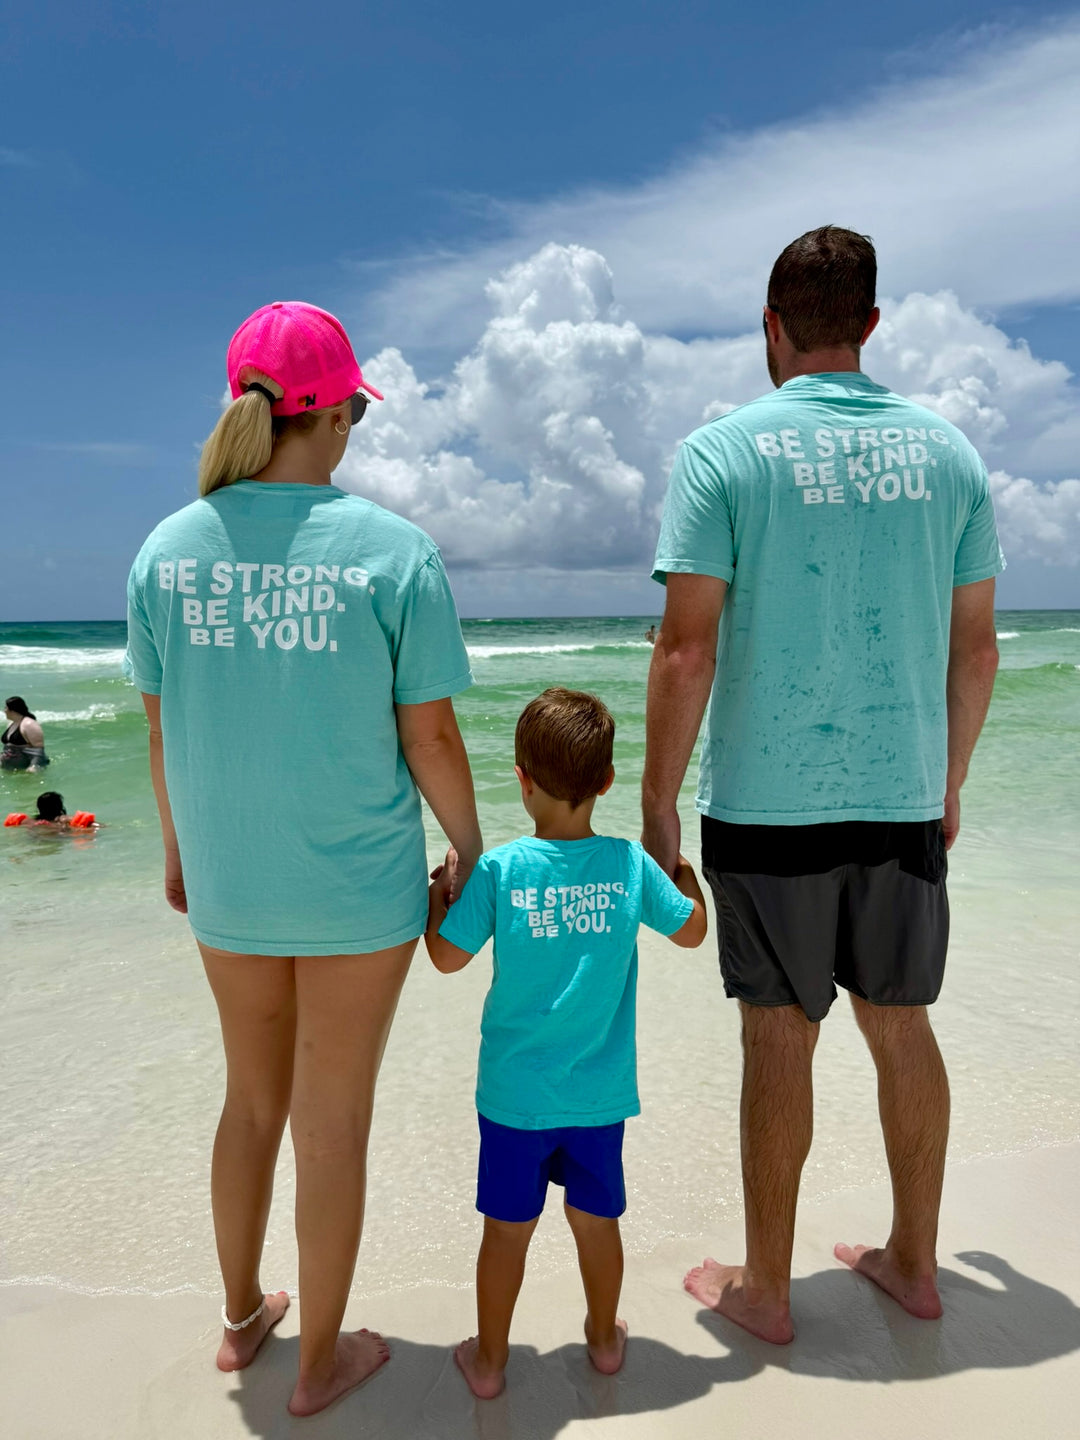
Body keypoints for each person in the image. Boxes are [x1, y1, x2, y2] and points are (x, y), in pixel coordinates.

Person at [642, 226, 1003, 1344]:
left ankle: (767, 1289)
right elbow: (977, 650)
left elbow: (686, 649)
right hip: (902, 796)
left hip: (766, 804)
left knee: (777, 1036)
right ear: (872, 324)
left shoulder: (722, 454)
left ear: (772, 324)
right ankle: (916, 1263)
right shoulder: (950, 455)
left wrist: (656, 802)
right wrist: (948, 779)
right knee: (902, 1027)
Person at [125, 301, 482, 1418]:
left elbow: (162, 732)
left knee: (250, 1104)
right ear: (331, 416)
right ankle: (319, 1363)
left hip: (229, 880)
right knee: (332, 1127)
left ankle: (243, 1321)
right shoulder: (393, 551)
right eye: (354, 415)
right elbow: (430, 737)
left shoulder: (166, 551)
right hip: (356, 889)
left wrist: (178, 851)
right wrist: (471, 846)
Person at [426, 687, 707, 1398]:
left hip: (515, 1098)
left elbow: (446, 958)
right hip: (597, 1097)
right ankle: (605, 1340)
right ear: (606, 782)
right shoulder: (628, 865)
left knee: (506, 1231)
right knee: (596, 1222)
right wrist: (688, 879)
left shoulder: (501, 871)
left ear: (521, 780)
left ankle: (490, 1363)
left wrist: (437, 898)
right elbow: (693, 932)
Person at [2, 697, 48, 771]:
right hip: (10, 767)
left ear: (13, 710)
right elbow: (8, 747)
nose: (4, 711)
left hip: (25, 768)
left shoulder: (29, 724)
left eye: (6, 708)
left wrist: (34, 767)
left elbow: (39, 750)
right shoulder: (11, 723)